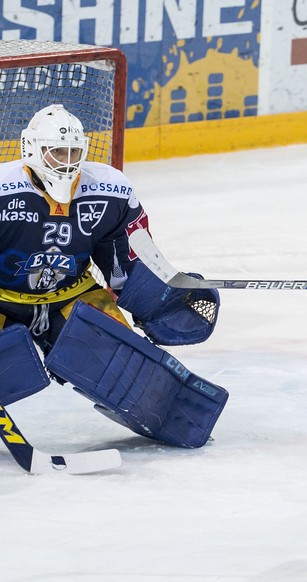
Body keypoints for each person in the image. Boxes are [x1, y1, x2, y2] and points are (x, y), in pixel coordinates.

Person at [0, 103, 228, 448]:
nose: (65, 160)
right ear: (31, 149)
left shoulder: (111, 189)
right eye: (56, 151)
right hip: (3, 299)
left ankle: (178, 422)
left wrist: (160, 300)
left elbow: (127, 262)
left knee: (135, 376)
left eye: (73, 151)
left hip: (72, 294)